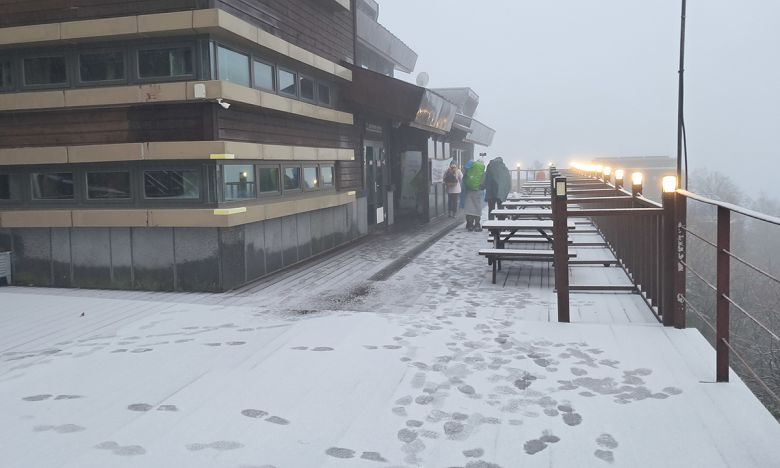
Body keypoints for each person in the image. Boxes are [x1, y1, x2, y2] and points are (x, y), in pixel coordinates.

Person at [462, 158, 486, 231]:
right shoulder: (482, 172)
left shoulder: (470, 169)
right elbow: (484, 182)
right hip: (478, 191)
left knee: (470, 208)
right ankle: (477, 225)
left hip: (469, 190)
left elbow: (464, 178)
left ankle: (470, 225)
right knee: (477, 208)